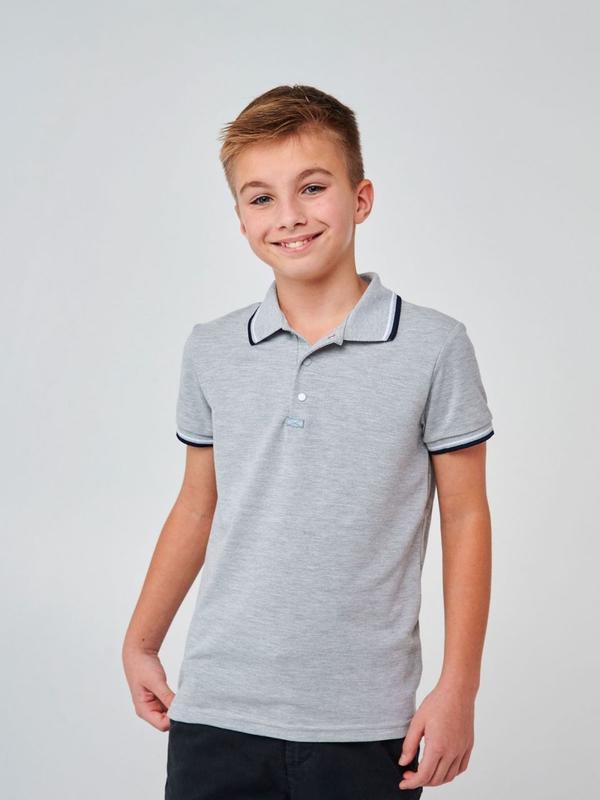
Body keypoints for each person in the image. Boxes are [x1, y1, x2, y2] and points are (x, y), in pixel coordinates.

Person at [122, 84, 495, 799]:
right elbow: (197, 504)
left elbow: (466, 517)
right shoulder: (212, 349)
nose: (289, 215)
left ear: (361, 198)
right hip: (218, 710)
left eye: (313, 188)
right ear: (240, 219)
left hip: (366, 722)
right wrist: (141, 641)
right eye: (262, 197)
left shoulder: (434, 346)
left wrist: (459, 688)